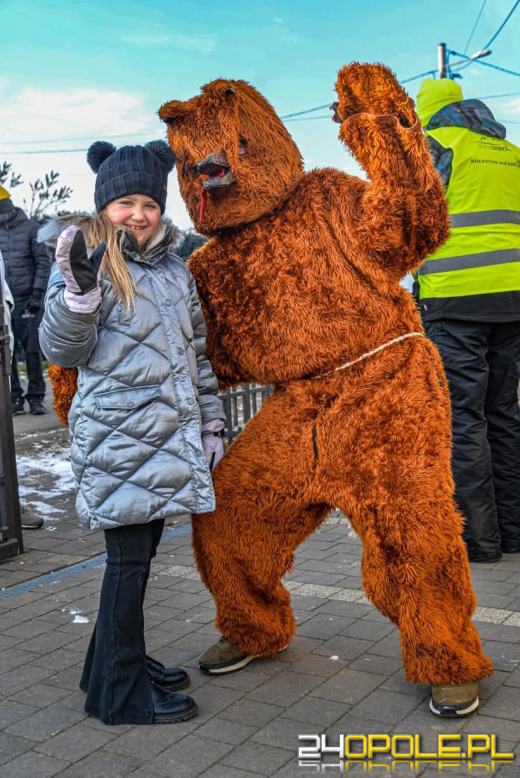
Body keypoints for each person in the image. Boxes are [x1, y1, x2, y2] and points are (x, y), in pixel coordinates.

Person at [39, 140, 225, 726]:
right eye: (125, 202)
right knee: (128, 563)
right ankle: (118, 695)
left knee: (138, 557)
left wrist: (214, 421)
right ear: (104, 206)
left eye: (148, 202)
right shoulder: (84, 258)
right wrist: (78, 296)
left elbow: (196, 354)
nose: (138, 213)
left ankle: (113, 665)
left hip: (167, 436)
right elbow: (60, 349)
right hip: (119, 438)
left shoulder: (173, 269)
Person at [415, 78, 520, 564]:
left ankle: (480, 542)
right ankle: (514, 532)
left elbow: (408, 219)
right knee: (504, 413)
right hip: (512, 300)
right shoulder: (510, 152)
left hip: (455, 302)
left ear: (429, 114)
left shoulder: (437, 147)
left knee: (464, 419)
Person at [0, 185, 51, 416]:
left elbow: (43, 262)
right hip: (4, 304)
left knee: (32, 352)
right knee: (6, 353)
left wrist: (37, 295)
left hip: (29, 300)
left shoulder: (31, 229)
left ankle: (36, 398)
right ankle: (14, 399)